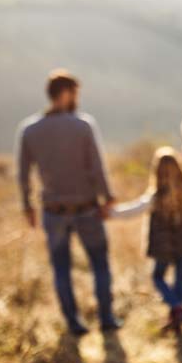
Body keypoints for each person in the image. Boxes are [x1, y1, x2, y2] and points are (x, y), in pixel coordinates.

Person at [16, 69, 121, 335]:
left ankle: (74, 323)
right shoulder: (82, 125)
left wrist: (27, 206)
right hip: (86, 208)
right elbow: (96, 167)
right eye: (75, 93)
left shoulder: (30, 129)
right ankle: (106, 318)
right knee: (99, 263)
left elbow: (23, 173)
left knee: (61, 268)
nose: (77, 99)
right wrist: (107, 197)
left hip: (53, 211)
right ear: (65, 93)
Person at [112, 147, 182, 334]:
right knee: (179, 280)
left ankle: (176, 309)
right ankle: (177, 313)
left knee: (158, 277)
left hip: (164, 246)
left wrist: (111, 213)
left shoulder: (157, 195)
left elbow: (134, 209)